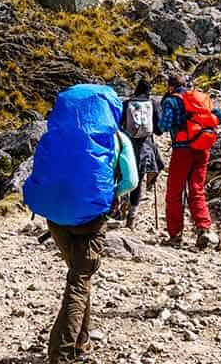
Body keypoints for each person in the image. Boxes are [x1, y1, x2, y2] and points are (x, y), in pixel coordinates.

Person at [24, 84, 138, 364]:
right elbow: (131, 181)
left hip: (55, 218)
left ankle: (81, 341)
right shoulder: (117, 139)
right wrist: (112, 194)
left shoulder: (56, 135)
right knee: (78, 282)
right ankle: (61, 355)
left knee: (79, 276)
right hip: (91, 218)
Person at [158, 70, 221, 249]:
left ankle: (175, 235)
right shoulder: (200, 98)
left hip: (182, 150)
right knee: (197, 189)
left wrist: (178, 125)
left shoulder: (171, 100)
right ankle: (204, 229)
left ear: (171, 86)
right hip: (203, 148)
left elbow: (164, 125)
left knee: (174, 192)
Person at [121, 77, 164, 230]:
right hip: (145, 148)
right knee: (138, 181)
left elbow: (119, 125)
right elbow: (158, 130)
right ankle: (131, 217)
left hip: (127, 147)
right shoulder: (152, 104)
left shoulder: (126, 103)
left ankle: (120, 202)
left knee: (123, 175)